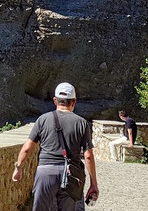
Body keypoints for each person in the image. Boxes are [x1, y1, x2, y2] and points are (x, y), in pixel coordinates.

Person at [12, 82, 99, 211]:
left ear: (55, 100)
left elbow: (27, 148)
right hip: (71, 175)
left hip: (45, 173)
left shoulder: (43, 119)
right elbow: (88, 156)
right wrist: (93, 184)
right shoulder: (82, 123)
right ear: (74, 102)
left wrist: (18, 168)